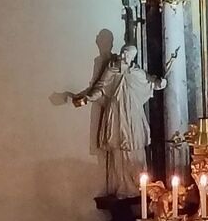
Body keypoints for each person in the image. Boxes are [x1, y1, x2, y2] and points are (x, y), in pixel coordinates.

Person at [73, 44, 171, 198]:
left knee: (135, 147)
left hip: (133, 115)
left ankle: (139, 184)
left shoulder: (136, 72)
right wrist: (87, 98)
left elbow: (151, 82)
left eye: (128, 55)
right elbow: (101, 87)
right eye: (124, 53)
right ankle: (122, 185)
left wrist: (160, 83)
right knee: (118, 149)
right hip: (117, 114)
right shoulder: (112, 69)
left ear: (133, 57)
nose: (124, 57)